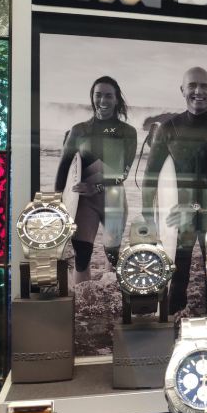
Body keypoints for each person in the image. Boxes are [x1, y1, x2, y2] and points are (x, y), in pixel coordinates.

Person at [142, 66, 207, 313]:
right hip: (178, 213)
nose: (199, 91)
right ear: (182, 90)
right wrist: (148, 218)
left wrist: (198, 206)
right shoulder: (168, 129)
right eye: (192, 85)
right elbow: (151, 177)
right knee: (178, 276)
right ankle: (175, 321)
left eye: (204, 86)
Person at [55, 75, 137, 284]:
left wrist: (97, 186)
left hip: (114, 199)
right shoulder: (79, 130)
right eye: (98, 95)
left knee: (112, 256)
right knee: (82, 256)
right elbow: (64, 168)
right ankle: (84, 299)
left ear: (116, 99)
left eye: (108, 96)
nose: (103, 100)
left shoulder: (127, 132)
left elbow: (123, 173)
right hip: (85, 202)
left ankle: (110, 293)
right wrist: (56, 203)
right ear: (92, 97)